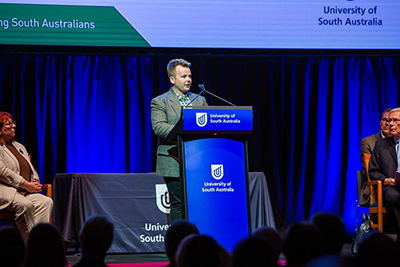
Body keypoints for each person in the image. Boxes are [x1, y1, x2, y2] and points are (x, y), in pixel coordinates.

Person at [151, 58, 207, 222]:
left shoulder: (200, 100)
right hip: (172, 159)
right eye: (183, 76)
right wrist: (183, 131)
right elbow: (159, 127)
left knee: (197, 202)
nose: (188, 80)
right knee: (178, 203)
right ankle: (179, 242)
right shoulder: (160, 101)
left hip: (196, 158)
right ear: (172, 79)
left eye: (189, 76)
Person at [0, 111, 53, 240]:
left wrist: (34, 183)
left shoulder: (19, 146)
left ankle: (40, 241)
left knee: (45, 201)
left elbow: (30, 168)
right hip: (5, 191)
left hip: (24, 191)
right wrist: (25, 184)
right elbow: (3, 170)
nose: (13, 126)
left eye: (13, 123)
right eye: (8, 124)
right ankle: (29, 245)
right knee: (25, 205)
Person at [369, 107, 400, 238]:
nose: (390, 124)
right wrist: (385, 180)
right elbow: (373, 171)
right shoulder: (381, 144)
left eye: (395, 120)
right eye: (389, 120)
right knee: (392, 196)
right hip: (391, 187)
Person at [359, 108, 392, 206]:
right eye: (384, 120)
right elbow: (369, 171)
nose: (387, 123)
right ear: (380, 121)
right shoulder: (368, 142)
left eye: (390, 120)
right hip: (377, 186)